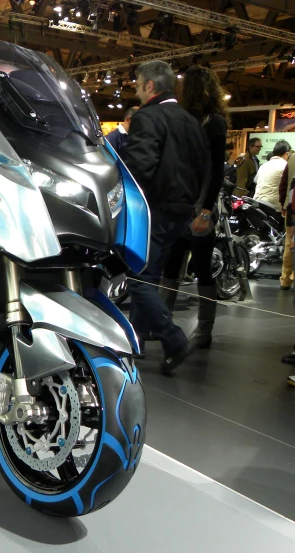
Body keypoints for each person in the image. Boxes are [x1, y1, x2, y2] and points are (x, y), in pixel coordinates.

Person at [123, 60, 211, 375]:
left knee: (139, 280)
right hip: (181, 214)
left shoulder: (148, 117)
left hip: (153, 211)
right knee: (150, 275)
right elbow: (206, 168)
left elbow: (140, 169)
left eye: (137, 84)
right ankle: (135, 341)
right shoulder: (190, 121)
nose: (135, 89)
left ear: (149, 86)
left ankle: (175, 340)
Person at [161, 66, 229, 349]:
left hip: (200, 206)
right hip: (181, 205)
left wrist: (206, 211)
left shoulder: (213, 123)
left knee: (200, 267)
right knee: (171, 267)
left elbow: (215, 172)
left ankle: (204, 330)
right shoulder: (187, 120)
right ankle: (163, 324)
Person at [253, 140, 291, 210]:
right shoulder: (285, 166)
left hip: (257, 203)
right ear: (286, 154)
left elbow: (255, 181)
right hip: (274, 207)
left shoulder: (264, 165)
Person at [278, 146, 295, 289]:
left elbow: (283, 184)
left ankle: (286, 279)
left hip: (291, 206)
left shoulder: (292, 158)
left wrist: (283, 203)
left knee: (289, 242)